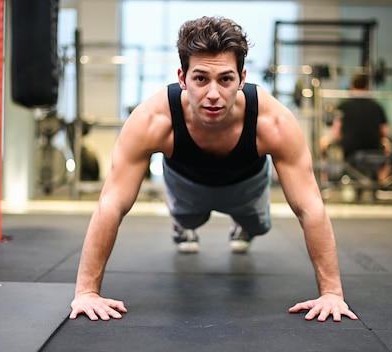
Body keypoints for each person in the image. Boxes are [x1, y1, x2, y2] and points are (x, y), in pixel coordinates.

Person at [69, 16, 357, 323]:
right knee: (188, 217)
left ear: (242, 78)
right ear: (182, 77)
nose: (213, 94)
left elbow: (310, 205)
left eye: (225, 79)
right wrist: (86, 292)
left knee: (257, 225)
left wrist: (331, 293)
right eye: (201, 79)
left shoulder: (273, 123)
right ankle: (182, 225)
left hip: (246, 184)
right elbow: (112, 202)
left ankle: (242, 224)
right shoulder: (152, 120)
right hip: (185, 184)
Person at [320, 74, 392, 186]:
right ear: (367, 87)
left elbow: (336, 134)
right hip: (373, 147)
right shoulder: (377, 106)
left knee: (323, 143)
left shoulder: (343, 106)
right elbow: (385, 132)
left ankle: (325, 184)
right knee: (387, 144)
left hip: (348, 149)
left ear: (352, 87)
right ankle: (382, 184)